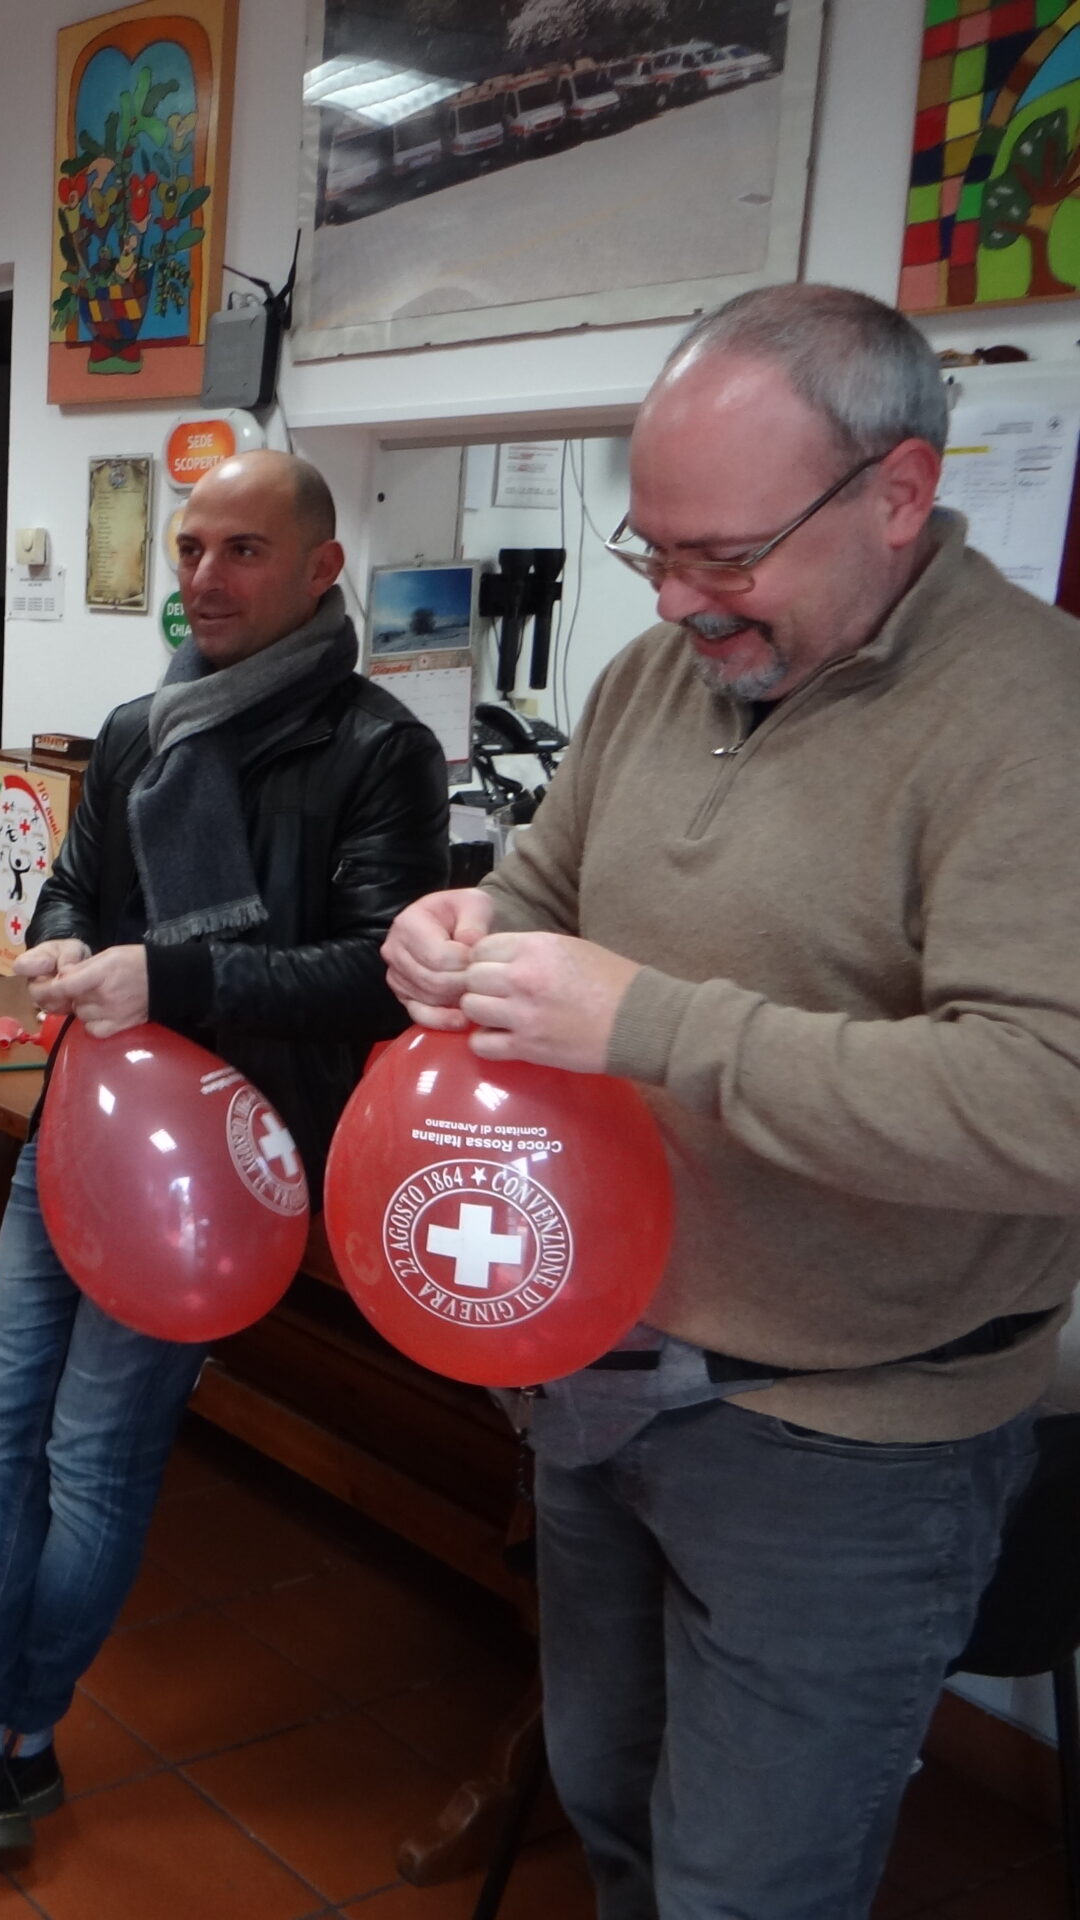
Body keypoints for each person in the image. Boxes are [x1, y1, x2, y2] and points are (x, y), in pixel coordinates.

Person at [382, 283, 1080, 1920]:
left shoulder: (1033, 719)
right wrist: (462, 925)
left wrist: (662, 1027)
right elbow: (545, 883)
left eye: (728, 556)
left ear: (897, 495)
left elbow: (1049, 1097)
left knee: (745, 1891)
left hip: (846, 1437)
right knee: (611, 1802)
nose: (687, 602)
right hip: (601, 1373)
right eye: (657, 552)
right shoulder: (654, 679)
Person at [0, 450, 450, 1863]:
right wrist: (67, 940)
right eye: (192, 548)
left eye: (242, 553)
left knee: (92, 1460)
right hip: (84, 1127)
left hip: (225, 1164)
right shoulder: (144, 727)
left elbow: (372, 978)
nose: (202, 579)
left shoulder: (379, 751)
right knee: (6, 1427)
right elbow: (77, 884)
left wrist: (171, 977)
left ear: (322, 568)